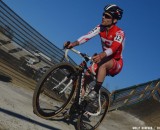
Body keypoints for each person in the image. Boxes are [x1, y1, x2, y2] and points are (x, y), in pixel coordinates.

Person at [64, 4, 125, 101]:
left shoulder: (119, 33)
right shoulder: (100, 27)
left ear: (114, 20)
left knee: (103, 64)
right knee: (85, 79)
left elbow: (114, 48)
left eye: (107, 16)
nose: (103, 17)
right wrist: (73, 43)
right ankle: (78, 104)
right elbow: (87, 36)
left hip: (116, 62)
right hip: (104, 57)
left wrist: (101, 55)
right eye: (103, 15)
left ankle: (96, 91)